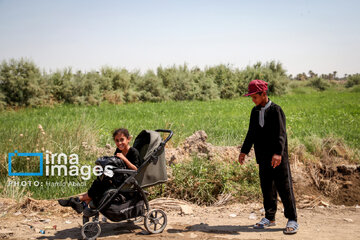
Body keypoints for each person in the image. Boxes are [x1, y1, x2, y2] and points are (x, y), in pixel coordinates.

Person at [238, 79, 299, 234]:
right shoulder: (255, 111)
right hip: (263, 157)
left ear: (263, 94)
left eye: (255, 97)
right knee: (267, 188)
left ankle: (292, 219)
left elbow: (281, 134)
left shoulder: (276, 110)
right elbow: (251, 133)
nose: (253, 100)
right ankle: (270, 217)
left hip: (278, 157)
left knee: (284, 187)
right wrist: (244, 151)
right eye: (251, 98)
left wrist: (278, 153)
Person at [58, 128, 141, 213]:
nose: (119, 143)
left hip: (127, 180)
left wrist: (124, 159)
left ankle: (76, 199)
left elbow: (136, 170)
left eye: (122, 140)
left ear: (128, 139)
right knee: (98, 181)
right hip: (118, 177)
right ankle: (82, 204)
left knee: (101, 186)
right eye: (117, 140)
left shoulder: (133, 152)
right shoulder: (118, 150)